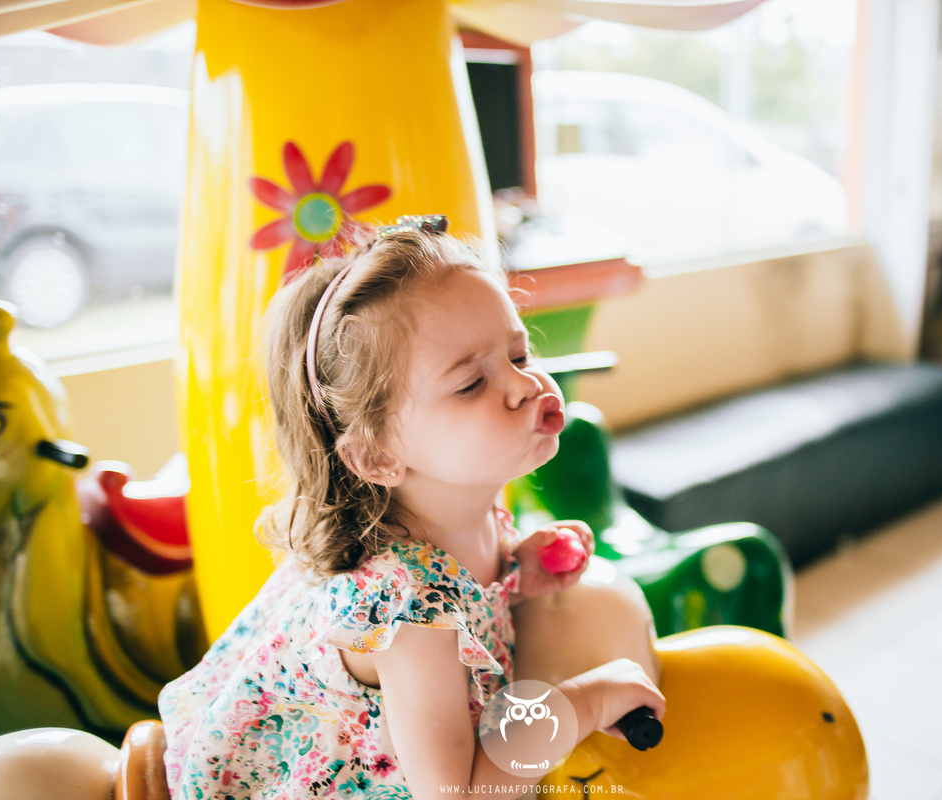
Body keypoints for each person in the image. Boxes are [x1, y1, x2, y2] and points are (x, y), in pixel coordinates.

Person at [159, 217, 665, 799]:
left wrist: (511, 577)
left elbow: (464, 608)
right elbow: (462, 794)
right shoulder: (405, 615)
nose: (526, 384)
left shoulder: (449, 515)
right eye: (471, 384)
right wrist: (586, 701)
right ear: (377, 456)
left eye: (519, 353)